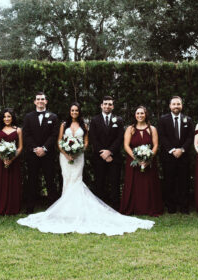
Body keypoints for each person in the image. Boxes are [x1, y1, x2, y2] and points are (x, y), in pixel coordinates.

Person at [18, 103, 154, 235]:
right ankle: (65, 211)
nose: (74, 112)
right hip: (65, 157)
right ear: (69, 112)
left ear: (79, 112)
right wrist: (66, 153)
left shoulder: (84, 125)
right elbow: (59, 141)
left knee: (77, 180)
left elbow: (87, 141)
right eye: (72, 110)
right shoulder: (63, 125)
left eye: (76, 110)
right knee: (67, 180)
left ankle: (77, 209)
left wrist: (78, 151)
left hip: (78, 157)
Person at [120, 106, 164, 217]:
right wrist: (137, 159)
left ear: (146, 115)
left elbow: (155, 145)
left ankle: (149, 207)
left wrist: (148, 158)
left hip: (149, 162)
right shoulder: (130, 129)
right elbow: (126, 145)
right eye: (138, 113)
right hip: (133, 162)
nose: (140, 115)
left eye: (142, 113)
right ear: (135, 115)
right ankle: (134, 207)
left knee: (149, 185)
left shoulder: (152, 129)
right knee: (134, 185)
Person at [21, 92, 60, 214]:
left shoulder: (53, 117)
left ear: (46, 101)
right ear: (34, 102)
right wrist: (35, 148)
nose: (40, 101)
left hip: (48, 154)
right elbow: (26, 135)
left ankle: (53, 208)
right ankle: (30, 208)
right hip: (33, 154)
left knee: (50, 180)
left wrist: (44, 148)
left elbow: (54, 135)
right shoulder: (28, 117)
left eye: (42, 99)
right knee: (32, 180)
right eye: (38, 99)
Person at [158, 96, 194, 214]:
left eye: (178, 104)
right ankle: (171, 207)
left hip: (184, 156)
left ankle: (184, 207)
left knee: (184, 182)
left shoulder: (188, 119)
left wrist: (182, 149)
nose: (176, 106)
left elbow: (190, 137)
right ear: (170, 106)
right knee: (169, 182)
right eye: (174, 104)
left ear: (181, 105)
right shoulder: (163, 119)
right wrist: (173, 150)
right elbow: (162, 136)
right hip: (169, 156)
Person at [89, 96, 124, 210]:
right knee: (99, 183)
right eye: (105, 104)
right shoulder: (94, 120)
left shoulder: (119, 120)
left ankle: (115, 207)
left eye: (109, 104)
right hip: (99, 157)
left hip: (114, 157)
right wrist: (103, 153)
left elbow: (120, 138)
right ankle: (99, 208)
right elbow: (93, 138)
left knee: (115, 183)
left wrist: (110, 152)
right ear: (101, 105)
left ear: (113, 106)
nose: (107, 106)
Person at [0, 108, 23, 215]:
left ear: (12, 118)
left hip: (13, 162)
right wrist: (3, 157)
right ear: (2, 118)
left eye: (9, 116)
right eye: (4, 117)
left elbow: (20, 147)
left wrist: (11, 159)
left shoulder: (18, 130)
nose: (6, 119)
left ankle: (12, 207)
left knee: (12, 185)